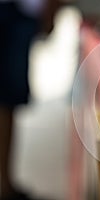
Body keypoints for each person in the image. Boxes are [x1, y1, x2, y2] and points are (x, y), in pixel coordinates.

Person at [0, 0, 60, 199]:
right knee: (6, 103)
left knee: (7, 102)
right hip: (16, 14)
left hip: (20, 13)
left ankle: (5, 183)